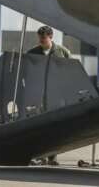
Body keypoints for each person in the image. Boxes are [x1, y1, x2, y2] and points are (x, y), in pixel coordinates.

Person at [28, 25, 71, 166]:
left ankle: (52, 156)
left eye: (44, 39)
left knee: (55, 126)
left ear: (51, 37)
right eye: (40, 39)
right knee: (38, 125)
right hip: (39, 95)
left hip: (56, 95)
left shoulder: (62, 52)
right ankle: (39, 155)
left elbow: (70, 69)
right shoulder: (33, 53)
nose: (41, 41)